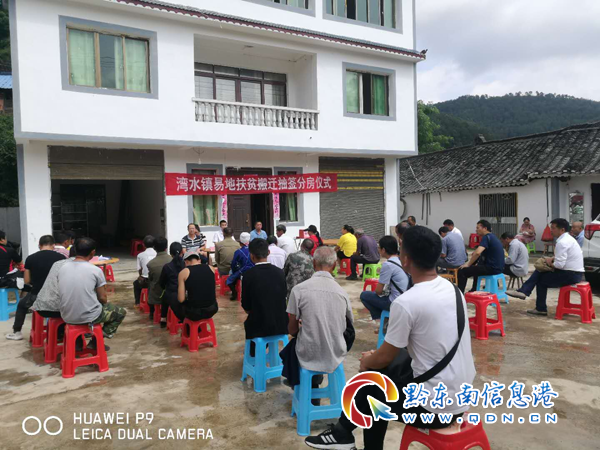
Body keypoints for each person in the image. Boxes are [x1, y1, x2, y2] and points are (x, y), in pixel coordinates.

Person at [305, 226, 475, 450]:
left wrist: (369, 361)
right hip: (461, 396)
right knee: (380, 370)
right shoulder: (454, 290)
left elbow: (385, 358)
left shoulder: (407, 303)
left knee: (370, 388)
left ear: (405, 259)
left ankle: (345, 435)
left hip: (434, 409)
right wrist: (377, 357)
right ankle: (342, 433)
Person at [284, 246, 353, 397]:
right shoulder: (342, 293)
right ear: (334, 266)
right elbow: (349, 326)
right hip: (336, 351)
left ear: (314, 263)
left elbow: (292, 329)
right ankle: (314, 386)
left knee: (292, 347)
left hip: (308, 352)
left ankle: (300, 385)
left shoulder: (298, 290)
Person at [507, 218, 584, 316]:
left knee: (541, 279)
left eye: (553, 228)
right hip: (575, 273)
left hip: (571, 274)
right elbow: (565, 258)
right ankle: (525, 292)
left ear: (562, 230)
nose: (551, 230)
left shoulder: (562, 242)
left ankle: (538, 305)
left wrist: (549, 262)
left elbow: (559, 265)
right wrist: (552, 259)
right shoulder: (568, 239)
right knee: (540, 271)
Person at [58, 238, 126, 341]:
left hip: (66, 315)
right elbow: (103, 298)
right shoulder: (95, 270)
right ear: (93, 253)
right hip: (89, 316)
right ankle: (96, 341)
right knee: (120, 312)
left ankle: (78, 341)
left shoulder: (63, 268)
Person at [5, 235, 66, 341]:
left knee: (21, 305)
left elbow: (27, 281)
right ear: (53, 245)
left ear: (39, 245)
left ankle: (17, 332)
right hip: (57, 296)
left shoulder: (31, 258)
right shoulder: (62, 258)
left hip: (37, 295)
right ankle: (60, 334)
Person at [242, 239, 288, 355]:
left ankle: (254, 356)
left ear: (251, 256)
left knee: (254, 320)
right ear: (268, 252)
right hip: (281, 323)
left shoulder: (248, 275)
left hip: (259, 325)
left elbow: (246, 306)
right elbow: (283, 296)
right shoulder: (280, 273)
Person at [360, 236, 409, 328]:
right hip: (405, 298)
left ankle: (381, 322)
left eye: (379, 248)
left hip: (394, 302)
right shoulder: (400, 260)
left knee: (364, 295)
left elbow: (378, 291)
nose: (378, 250)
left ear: (383, 250)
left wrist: (382, 292)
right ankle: (384, 321)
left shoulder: (388, 265)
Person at [457, 220, 504, 293]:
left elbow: (478, 253)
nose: (476, 230)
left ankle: (459, 294)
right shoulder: (493, 237)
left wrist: (468, 264)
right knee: (476, 267)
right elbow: (478, 252)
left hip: (492, 268)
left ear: (485, 228)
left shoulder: (486, 237)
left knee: (462, 271)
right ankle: (474, 289)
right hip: (499, 268)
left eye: (478, 228)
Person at [175, 251, 218, 322]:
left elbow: (181, 299)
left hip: (194, 313)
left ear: (186, 262)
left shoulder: (184, 272)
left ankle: (187, 327)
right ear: (199, 260)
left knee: (175, 302)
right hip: (212, 309)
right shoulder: (211, 268)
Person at [146, 236, 172, 327]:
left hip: (157, 295)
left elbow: (151, 279)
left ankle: (152, 312)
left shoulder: (151, 264)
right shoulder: (172, 260)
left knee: (150, 284)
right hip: (171, 293)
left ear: (154, 248)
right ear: (166, 247)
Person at [227, 232, 254, 301]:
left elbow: (233, 264)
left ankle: (234, 293)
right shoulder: (253, 250)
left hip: (243, 272)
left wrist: (234, 272)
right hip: (254, 271)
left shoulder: (238, 252)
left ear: (240, 242)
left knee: (229, 280)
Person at [133, 235, 156, 306]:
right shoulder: (157, 254)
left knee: (136, 283)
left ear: (143, 245)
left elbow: (140, 269)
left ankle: (137, 303)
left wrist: (141, 276)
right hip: (156, 282)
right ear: (154, 245)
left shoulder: (140, 255)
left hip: (146, 282)